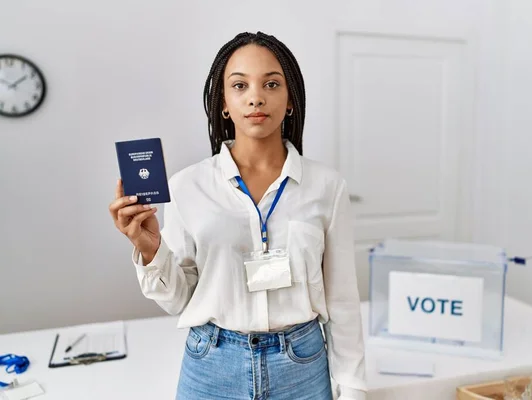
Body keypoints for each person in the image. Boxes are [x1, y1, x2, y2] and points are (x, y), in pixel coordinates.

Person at [109, 31, 366, 400]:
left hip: (302, 367)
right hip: (211, 366)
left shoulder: (327, 186)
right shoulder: (187, 186)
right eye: (240, 85)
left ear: (290, 99)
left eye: (272, 84)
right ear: (224, 103)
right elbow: (180, 300)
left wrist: (353, 388)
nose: (256, 97)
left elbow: (342, 299)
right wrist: (151, 251)